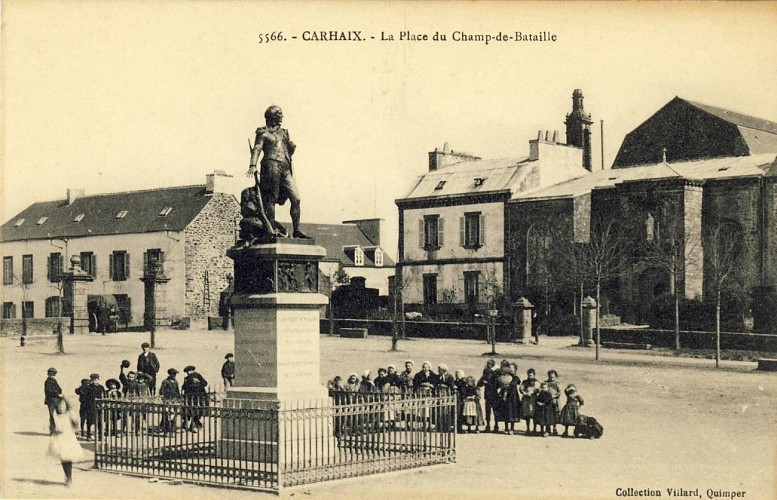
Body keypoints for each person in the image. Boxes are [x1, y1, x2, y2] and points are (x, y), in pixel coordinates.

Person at [245, 105, 310, 239]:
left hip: (285, 169)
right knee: (270, 199)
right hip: (271, 166)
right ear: (272, 117)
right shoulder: (263, 133)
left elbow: (287, 151)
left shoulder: (284, 133)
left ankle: (296, 229)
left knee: (296, 198)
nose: (281, 117)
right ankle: (272, 229)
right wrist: (252, 164)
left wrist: (291, 148)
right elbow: (257, 148)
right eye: (279, 115)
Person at [48, 398, 85, 486]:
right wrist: (54, 431)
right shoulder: (54, 415)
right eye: (59, 406)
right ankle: (67, 475)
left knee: (67, 456)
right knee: (63, 457)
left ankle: (69, 477)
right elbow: (51, 427)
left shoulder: (69, 414)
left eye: (63, 405)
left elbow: (76, 425)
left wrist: (74, 426)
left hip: (68, 438)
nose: (61, 408)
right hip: (59, 438)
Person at [182, 365, 208, 432]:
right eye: (187, 371)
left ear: (192, 370)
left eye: (189, 371)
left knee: (194, 411)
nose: (188, 373)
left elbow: (205, 383)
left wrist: (197, 384)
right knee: (191, 411)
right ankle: (193, 425)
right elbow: (184, 387)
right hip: (191, 397)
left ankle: (194, 425)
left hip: (197, 397)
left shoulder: (197, 376)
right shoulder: (187, 378)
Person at [477, 359, 499, 433]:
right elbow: (480, 382)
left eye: (489, 363)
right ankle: (489, 425)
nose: (488, 364)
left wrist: (487, 383)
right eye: (487, 363)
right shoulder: (486, 372)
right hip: (488, 394)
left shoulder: (496, 372)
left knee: (495, 411)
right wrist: (482, 382)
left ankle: (496, 425)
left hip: (494, 394)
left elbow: (497, 383)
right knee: (488, 411)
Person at [159, 368, 181, 434]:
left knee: (173, 414)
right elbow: (161, 391)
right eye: (173, 374)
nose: (174, 375)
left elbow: (177, 391)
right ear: (170, 374)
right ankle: (165, 428)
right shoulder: (165, 381)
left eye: (175, 374)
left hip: (174, 400)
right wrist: (164, 398)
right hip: (167, 400)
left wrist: (179, 398)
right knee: (166, 414)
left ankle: (171, 427)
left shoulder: (176, 381)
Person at [519, 368, 541, 434]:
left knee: (534, 414)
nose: (530, 377)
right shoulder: (525, 381)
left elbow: (538, 390)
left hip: (533, 399)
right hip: (526, 399)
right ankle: (528, 429)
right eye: (528, 375)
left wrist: (531, 393)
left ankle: (534, 429)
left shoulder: (536, 382)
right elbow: (521, 389)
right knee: (527, 415)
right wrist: (524, 393)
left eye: (531, 375)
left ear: (534, 375)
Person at [83, 373, 105, 440]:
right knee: (89, 421)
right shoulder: (88, 387)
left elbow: (103, 396)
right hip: (90, 406)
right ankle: (89, 435)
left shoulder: (101, 387)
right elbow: (85, 397)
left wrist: (101, 403)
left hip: (99, 406)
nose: (94, 381)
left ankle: (100, 436)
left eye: (96, 379)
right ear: (90, 380)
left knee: (99, 421)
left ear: (98, 379)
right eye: (93, 379)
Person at [44, 367, 64, 435]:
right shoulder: (47, 382)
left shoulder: (54, 381)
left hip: (56, 400)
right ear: (48, 374)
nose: (53, 376)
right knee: (52, 415)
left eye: (54, 374)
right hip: (51, 401)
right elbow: (49, 391)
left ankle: (57, 429)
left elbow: (59, 388)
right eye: (51, 374)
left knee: (58, 415)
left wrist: (60, 394)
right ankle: (52, 430)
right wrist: (58, 394)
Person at [545, 370, 562, 435]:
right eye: (550, 377)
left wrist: (554, 396)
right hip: (548, 401)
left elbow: (559, 392)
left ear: (555, 377)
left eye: (553, 377)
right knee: (547, 414)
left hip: (555, 401)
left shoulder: (557, 384)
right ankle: (548, 428)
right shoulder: (546, 383)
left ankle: (554, 428)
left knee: (555, 414)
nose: (551, 378)